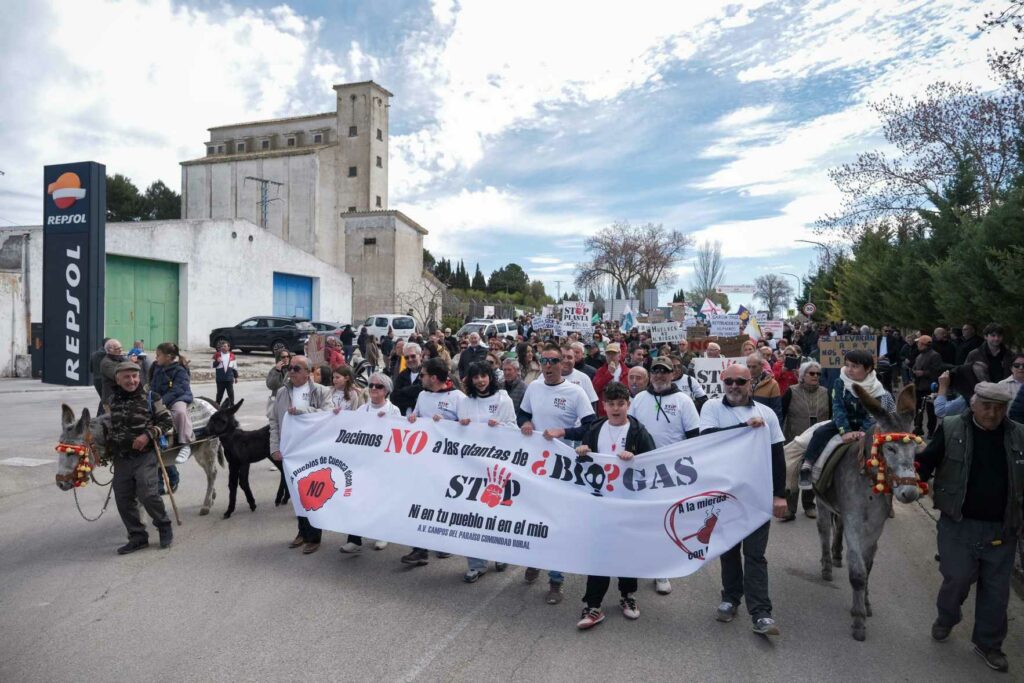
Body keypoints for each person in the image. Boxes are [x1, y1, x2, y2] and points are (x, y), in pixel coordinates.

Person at [916, 382, 1024, 673]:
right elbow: (925, 462)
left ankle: (989, 644)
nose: (993, 413)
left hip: (1002, 528)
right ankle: (947, 616)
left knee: (997, 590)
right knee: (957, 578)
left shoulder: (1019, 435)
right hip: (958, 524)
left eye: (999, 408)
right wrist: (913, 480)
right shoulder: (951, 428)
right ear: (973, 404)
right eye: (987, 406)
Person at [699, 364, 788, 636]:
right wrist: (743, 427)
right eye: (729, 381)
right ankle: (730, 598)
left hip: (757, 495)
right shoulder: (712, 408)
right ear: (722, 382)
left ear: (751, 383)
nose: (734, 386)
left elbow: (777, 457)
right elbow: (707, 440)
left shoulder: (767, 414)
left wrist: (780, 495)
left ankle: (761, 613)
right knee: (728, 550)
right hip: (725, 496)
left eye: (740, 381)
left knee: (755, 555)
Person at [568, 381, 656, 629]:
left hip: (628, 504)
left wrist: (635, 459)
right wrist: (583, 451)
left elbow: (653, 464)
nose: (616, 409)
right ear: (603, 406)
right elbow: (583, 466)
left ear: (628, 405)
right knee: (599, 554)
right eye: (611, 404)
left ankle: (628, 596)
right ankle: (593, 605)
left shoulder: (639, 432)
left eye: (621, 404)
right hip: (600, 505)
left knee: (626, 552)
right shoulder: (595, 429)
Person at [519, 343, 596, 604]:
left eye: (554, 361)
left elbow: (590, 426)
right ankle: (533, 560)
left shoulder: (575, 392)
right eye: (545, 360)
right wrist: (526, 423)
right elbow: (523, 413)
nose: (549, 365)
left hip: (563, 468)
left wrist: (564, 432)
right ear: (540, 363)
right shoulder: (534, 387)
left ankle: (555, 579)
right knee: (533, 516)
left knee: (557, 522)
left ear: (563, 364)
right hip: (536, 465)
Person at [628, 357, 700, 596]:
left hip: (672, 472)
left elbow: (693, 437)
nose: (660, 375)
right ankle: (640, 562)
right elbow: (628, 429)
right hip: (642, 469)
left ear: (673, 374)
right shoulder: (639, 399)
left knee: (665, 521)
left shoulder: (684, 401)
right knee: (640, 520)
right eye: (655, 371)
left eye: (664, 372)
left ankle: (661, 570)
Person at [799, 349, 895, 490]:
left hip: (868, 426)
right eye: (847, 365)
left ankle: (891, 479)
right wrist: (845, 431)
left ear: (868, 369)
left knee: (888, 447)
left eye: (855, 366)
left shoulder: (878, 388)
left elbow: (873, 412)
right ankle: (807, 465)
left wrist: (864, 431)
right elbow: (838, 407)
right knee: (819, 433)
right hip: (843, 423)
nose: (849, 369)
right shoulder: (840, 382)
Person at [400, 358, 465, 567]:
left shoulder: (458, 397)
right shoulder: (422, 394)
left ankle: (445, 541)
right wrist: (413, 419)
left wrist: (449, 425)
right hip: (424, 459)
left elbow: (468, 429)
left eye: (423, 375)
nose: (421, 378)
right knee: (422, 501)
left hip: (449, 462)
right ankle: (420, 549)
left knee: (444, 502)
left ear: (434, 378)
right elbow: (417, 416)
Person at [107, 361, 174, 554]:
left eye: (135, 376)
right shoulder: (112, 400)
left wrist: (147, 435)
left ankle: (163, 525)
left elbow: (167, 421)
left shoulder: (152, 397)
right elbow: (105, 424)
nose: (132, 380)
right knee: (123, 498)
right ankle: (137, 536)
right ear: (117, 379)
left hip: (145, 455)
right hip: (121, 457)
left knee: (148, 493)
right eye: (127, 377)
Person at [458, 361, 517, 582]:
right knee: (470, 514)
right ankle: (476, 563)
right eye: (476, 377)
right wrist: (459, 425)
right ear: (471, 381)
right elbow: (456, 432)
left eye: (484, 376)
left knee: (496, 512)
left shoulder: (503, 399)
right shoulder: (466, 402)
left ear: (490, 377)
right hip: (471, 467)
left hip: (496, 467)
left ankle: (500, 554)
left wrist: (500, 427)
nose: (480, 380)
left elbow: (514, 428)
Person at [269, 356, 331, 554]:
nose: (292, 372)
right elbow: (274, 421)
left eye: (297, 368)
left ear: (308, 372)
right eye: (290, 368)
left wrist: (302, 411)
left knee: (312, 494)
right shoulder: (282, 392)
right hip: (290, 451)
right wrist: (275, 448)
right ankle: (302, 532)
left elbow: (327, 415)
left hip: (312, 451)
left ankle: (314, 536)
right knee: (296, 494)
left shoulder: (321, 391)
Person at [339, 373, 400, 554]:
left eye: (379, 386)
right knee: (357, 499)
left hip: (383, 464)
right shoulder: (362, 410)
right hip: (362, 463)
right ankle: (354, 538)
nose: (374, 389)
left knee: (380, 498)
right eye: (372, 385)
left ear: (386, 391)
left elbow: (398, 437)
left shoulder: (393, 411)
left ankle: (382, 533)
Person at [780, 361, 829, 521]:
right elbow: (781, 414)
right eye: (812, 373)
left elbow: (832, 417)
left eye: (818, 374)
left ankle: (809, 505)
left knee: (812, 471)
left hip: (818, 441)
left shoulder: (825, 392)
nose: (816, 376)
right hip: (794, 439)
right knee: (791, 473)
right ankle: (790, 508)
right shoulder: (791, 392)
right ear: (802, 375)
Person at [150, 342, 195, 493]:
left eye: (158, 355)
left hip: (178, 398)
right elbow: (151, 385)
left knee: (180, 412)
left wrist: (161, 402)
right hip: (159, 399)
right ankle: (159, 485)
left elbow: (178, 389)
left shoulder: (179, 370)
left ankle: (185, 443)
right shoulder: (155, 367)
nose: (155, 358)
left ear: (169, 357)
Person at [913, 335, 944, 436]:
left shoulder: (935, 355)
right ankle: (918, 428)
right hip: (919, 386)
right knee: (918, 408)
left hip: (930, 387)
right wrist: (914, 371)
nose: (917, 345)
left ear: (923, 344)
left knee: (931, 411)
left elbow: (937, 371)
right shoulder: (918, 355)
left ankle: (931, 431)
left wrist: (923, 373)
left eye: (919, 343)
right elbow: (915, 367)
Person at [561, 345, 599, 409]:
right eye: (562, 357)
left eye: (569, 357)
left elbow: (592, 403)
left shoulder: (584, 378)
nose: (565, 360)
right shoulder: (545, 377)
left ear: (574, 359)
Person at [748, 353, 782, 423]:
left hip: (765, 425)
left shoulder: (772, 384)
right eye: (749, 366)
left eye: (754, 367)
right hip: (748, 426)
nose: (751, 370)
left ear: (762, 366)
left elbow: (777, 411)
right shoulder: (744, 382)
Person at [391, 342, 424, 415]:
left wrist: (404, 391)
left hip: (423, 419)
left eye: (413, 356)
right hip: (404, 418)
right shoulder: (402, 375)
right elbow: (394, 398)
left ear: (420, 355)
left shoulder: (428, 373)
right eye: (406, 357)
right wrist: (414, 398)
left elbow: (426, 396)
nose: (410, 359)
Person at [100, 338, 126, 406]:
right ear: (109, 350)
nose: (121, 350)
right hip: (111, 401)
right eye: (118, 348)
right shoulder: (106, 363)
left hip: (121, 398)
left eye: (121, 348)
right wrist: (131, 363)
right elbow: (118, 376)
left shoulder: (120, 358)